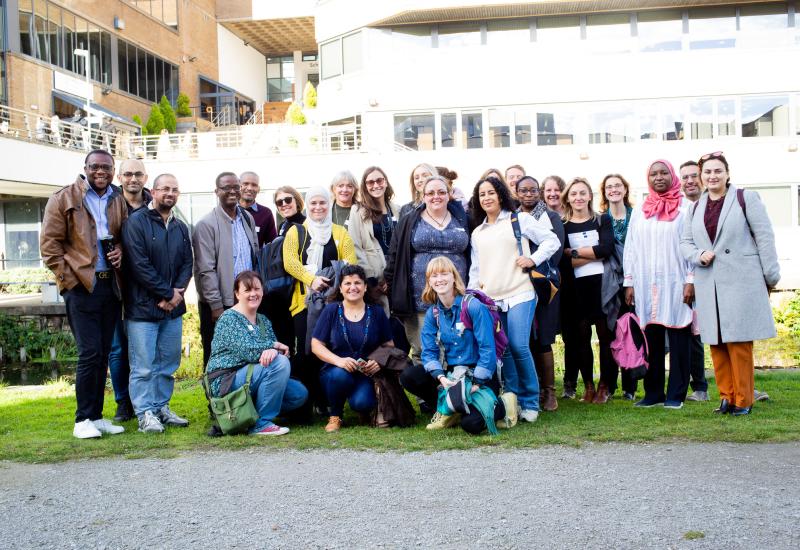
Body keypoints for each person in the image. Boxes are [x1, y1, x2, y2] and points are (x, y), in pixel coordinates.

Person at [680, 152, 780, 416]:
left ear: (727, 173)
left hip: (741, 280)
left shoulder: (745, 198)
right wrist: (698, 255)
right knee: (716, 342)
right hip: (709, 282)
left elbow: (765, 237)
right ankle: (726, 396)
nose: (712, 176)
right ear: (701, 177)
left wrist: (771, 276)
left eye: (717, 171)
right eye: (708, 172)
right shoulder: (695, 208)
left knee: (739, 342)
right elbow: (685, 243)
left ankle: (744, 399)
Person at [40, 149, 127, 439]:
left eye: (107, 167)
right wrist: (70, 281)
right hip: (81, 286)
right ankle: (82, 420)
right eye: (95, 167)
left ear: (113, 170)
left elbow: (124, 235)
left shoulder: (117, 199)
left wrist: (121, 252)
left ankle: (97, 416)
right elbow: (50, 247)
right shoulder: (63, 198)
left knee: (103, 353)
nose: (101, 172)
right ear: (85, 168)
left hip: (109, 285)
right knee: (89, 353)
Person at [468, 176, 560, 423]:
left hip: (521, 291)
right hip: (492, 299)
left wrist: (533, 259)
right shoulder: (477, 233)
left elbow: (552, 241)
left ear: (500, 195)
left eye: (491, 193)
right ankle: (513, 401)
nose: (486, 198)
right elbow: (475, 270)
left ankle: (531, 401)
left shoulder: (520, 219)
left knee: (519, 345)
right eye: (482, 194)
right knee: (505, 350)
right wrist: (470, 296)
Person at [122, 173, 193, 433]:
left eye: (174, 189)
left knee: (168, 364)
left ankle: (161, 407)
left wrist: (177, 295)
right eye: (165, 189)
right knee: (143, 366)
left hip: (172, 310)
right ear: (153, 191)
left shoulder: (179, 225)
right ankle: (144, 414)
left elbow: (188, 263)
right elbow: (139, 266)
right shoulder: (136, 222)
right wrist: (166, 294)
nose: (170, 193)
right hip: (143, 309)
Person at [405, 256, 505, 434]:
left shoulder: (473, 307)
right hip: (453, 374)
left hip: (480, 373)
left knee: (471, 425)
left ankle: (504, 405)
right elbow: (428, 353)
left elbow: (487, 349)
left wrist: (477, 383)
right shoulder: (433, 313)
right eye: (434, 276)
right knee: (409, 376)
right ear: (429, 282)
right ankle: (451, 406)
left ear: (454, 277)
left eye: (444, 274)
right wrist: (442, 378)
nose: (440, 279)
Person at [623, 160, 694, 409]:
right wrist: (629, 282)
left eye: (664, 172)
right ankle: (653, 393)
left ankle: (676, 394)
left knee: (678, 336)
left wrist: (691, 280)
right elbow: (630, 247)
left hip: (676, 281)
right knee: (650, 338)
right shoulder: (642, 209)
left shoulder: (687, 208)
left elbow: (693, 246)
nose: (659, 177)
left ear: (672, 176)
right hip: (645, 283)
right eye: (654, 174)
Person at [206, 271, 308, 435]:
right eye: (247, 290)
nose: (253, 294)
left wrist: (274, 350)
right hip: (226, 380)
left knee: (298, 394)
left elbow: (273, 352)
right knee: (279, 363)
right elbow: (248, 350)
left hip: (252, 376)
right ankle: (261, 424)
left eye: (257, 289)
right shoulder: (228, 319)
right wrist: (274, 346)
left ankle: (246, 416)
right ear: (237, 294)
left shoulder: (263, 320)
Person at [283, 187, 357, 410]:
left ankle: (327, 401)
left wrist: (332, 279)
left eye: (322, 203)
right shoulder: (296, 232)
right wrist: (311, 278)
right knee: (306, 353)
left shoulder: (340, 233)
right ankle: (308, 401)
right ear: (307, 205)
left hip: (333, 305)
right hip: (303, 303)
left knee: (330, 351)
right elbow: (290, 262)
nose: (318, 207)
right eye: (313, 203)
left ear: (329, 204)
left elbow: (350, 263)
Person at [385, 175, 470, 370]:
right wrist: (391, 285)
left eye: (441, 192)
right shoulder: (409, 221)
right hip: (419, 296)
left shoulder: (462, 218)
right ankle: (426, 397)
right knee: (424, 349)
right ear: (423, 197)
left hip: (456, 295)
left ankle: (454, 394)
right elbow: (394, 254)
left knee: (456, 346)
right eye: (430, 193)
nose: (436, 197)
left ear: (449, 195)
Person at [311, 265, 394, 432]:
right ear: (340, 288)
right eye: (347, 283)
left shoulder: (377, 312)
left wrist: (378, 361)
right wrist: (339, 361)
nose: (353, 287)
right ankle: (335, 415)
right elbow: (316, 345)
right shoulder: (331, 310)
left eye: (357, 283)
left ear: (364, 287)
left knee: (362, 403)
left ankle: (363, 409)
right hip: (335, 370)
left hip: (365, 372)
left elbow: (389, 345)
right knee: (341, 376)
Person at [559, 178, 616, 404]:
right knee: (581, 339)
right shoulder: (563, 226)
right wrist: (590, 254)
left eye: (583, 193)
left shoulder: (602, 220)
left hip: (602, 288)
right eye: (574, 194)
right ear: (568, 198)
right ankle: (589, 386)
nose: (578, 198)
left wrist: (573, 253)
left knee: (605, 338)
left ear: (590, 195)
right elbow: (562, 262)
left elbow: (607, 249)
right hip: (575, 290)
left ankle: (605, 386)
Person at [193, 172, 259, 365]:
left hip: (246, 300)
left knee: (246, 353)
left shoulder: (247, 218)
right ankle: (215, 395)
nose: (232, 192)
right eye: (226, 188)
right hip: (220, 303)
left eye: (235, 187)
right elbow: (205, 269)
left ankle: (242, 394)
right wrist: (216, 305)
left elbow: (253, 257)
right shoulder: (206, 224)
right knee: (217, 356)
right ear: (216, 191)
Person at [107, 159, 153, 422]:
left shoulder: (154, 204)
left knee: (145, 350)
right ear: (120, 177)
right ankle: (123, 402)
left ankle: (145, 402)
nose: (132, 178)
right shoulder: (109, 204)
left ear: (145, 178)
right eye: (127, 174)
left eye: (137, 174)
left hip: (145, 288)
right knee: (117, 348)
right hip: (114, 285)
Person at [516, 176, 564, 411]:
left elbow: (555, 251)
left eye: (533, 190)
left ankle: (549, 392)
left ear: (540, 192)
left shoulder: (551, 217)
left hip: (545, 283)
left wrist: (532, 263)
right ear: (516, 193)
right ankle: (530, 390)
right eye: (523, 190)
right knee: (524, 339)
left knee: (543, 339)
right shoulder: (512, 218)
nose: (528, 194)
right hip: (519, 284)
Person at [598, 173, 638, 400]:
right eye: (609, 186)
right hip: (608, 283)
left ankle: (630, 387)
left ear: (625, 189)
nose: (613, 189)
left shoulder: (637, 216)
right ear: (604, 192)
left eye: (617, 186)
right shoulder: (601, 219)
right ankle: (610, 385)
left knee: (630, 331)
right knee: (610, 332)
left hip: (633, 281)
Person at [678, 161, 710, 402]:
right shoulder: (680, 209)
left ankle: (745, 387)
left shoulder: (715, 206)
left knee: (731, 335)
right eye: (685, 177)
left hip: (716, 277)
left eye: (693, 176)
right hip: (691, 279)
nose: (689, 181)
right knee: (693, 335)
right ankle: (700, 387)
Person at [347, 166, 400, 311]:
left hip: (396, 274)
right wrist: (371, 280)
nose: (376, 185)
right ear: (365, 186)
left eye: (379, 180)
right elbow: (355, 246)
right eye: (370, 182)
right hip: (374, 278)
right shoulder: (357, 211)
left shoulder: (396, 210)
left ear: (386, 182)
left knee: (400, 324)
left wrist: (392, 277)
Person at [239, 171, 278, 247]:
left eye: (254, 185)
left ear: (258, 189)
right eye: (245, 184)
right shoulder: (229, 212)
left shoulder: (266, 213)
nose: (250, 188)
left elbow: (272, 246)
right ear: (239, 186)